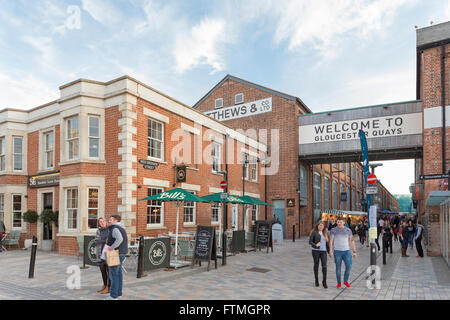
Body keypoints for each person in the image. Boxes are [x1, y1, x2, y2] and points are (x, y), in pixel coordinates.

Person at [105, 215, 128, 300]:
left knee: (113, 275)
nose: (109, 221)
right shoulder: (122, 228)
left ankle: (113, 296)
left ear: (115, 220)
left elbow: (119, 239)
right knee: (118, 274)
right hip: (121, 253)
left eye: (110, 219)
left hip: (116, 254)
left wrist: (111, 247)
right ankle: (118, 293)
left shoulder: (115, 228)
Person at [329, 216, 357, 289]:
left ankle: (345, 281)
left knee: (349, 266)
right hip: (337, 252)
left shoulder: (348, 230)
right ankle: (339, 283)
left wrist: (354, 251)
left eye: (340, 222)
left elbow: (352, 241)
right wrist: (330, 250)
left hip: (347, 251)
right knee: (338, 268)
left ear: (344, 222)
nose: (339, 223)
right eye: (338, 222)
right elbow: (331, 241)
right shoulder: (333, 230)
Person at [309, 221, 330, 289]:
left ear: (324, 227)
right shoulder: (314, 232)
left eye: (322, 226)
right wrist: (316, 245)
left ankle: (324, 282)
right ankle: (316, 280)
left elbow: (327, 243)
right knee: (316, 265)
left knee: (324, 266)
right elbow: (310, 242)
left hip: (323, 252)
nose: (321, 227)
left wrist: (329, 252)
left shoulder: (325, 233)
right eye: (320, 225)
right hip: (315, 251)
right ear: (317, 226)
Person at [95, 217, 110, 294]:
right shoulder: (98, 231)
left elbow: (111, 240)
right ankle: (104, 285)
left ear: (106, 221)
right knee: (102, 270)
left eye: (103, 221)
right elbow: (97, 240)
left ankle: (109, 287)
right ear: (99, 224)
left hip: (108, 253)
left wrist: (104, 241)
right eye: (100, 222)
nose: (102, 222)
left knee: (109, 270)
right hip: (100, 253)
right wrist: (105, 241)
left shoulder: (110, 229)